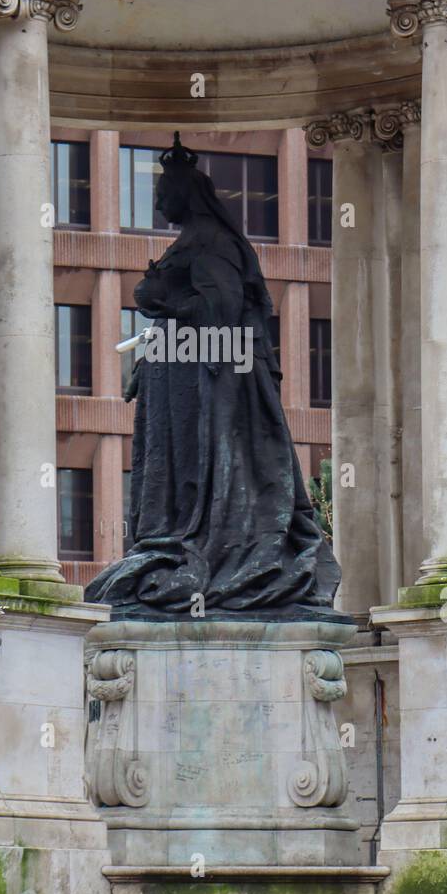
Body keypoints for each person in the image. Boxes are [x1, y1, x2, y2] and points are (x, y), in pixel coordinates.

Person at [85, 134, 341, 617]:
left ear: (186, 193)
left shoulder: (210, 241)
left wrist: (163, 302)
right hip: (184, 381)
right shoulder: (195, 240)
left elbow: (219, 309)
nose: (158, 202)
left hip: (207, 387)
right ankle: (175, 542)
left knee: (193, 475)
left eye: (164, 194)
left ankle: (195, 549)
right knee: (177, 475)